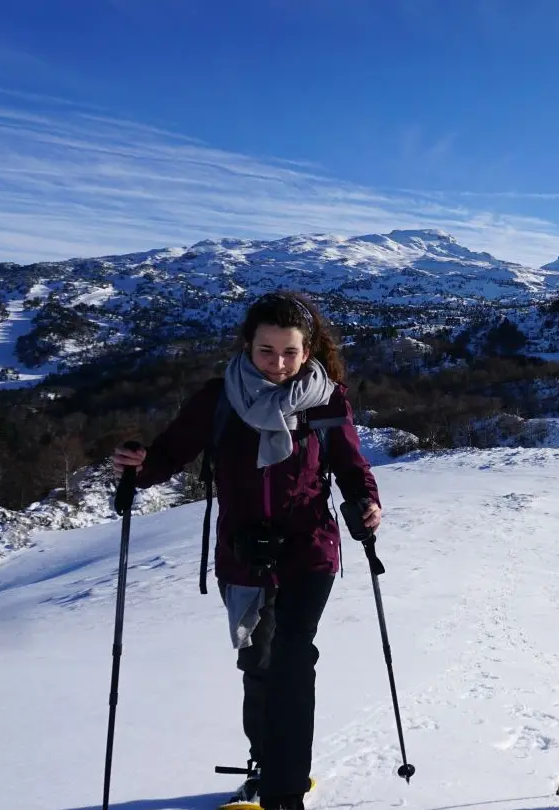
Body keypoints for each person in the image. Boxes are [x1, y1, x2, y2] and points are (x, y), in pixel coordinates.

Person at [110, 291, 382, 810]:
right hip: (243, 551)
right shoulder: (219, 399)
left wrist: (366, 501)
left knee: (293, 658)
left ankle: (285, 790)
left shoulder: (327, 400)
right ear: (247, 346)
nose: (278, 364)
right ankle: (266, 762)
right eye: (266, 351)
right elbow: (168, 454)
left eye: (289, 353)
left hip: (310, 546)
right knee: (258, 663)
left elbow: (350, 463)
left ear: (308, 352)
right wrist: (136, 466)